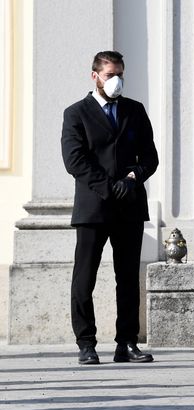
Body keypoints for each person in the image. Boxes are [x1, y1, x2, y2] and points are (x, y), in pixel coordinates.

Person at [61, 51, 159, 365]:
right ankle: (86, 343)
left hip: (129, 206)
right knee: (84, 277)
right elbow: (75, 161)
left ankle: (126, 343)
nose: (115, 80)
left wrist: (132, 179)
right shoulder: (76, 113)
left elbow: (150, 158)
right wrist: (108, 187)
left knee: (127, 277)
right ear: (95, 76)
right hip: (93, 208)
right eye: (109, 74)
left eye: (120, 74)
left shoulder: (135, 110)